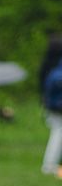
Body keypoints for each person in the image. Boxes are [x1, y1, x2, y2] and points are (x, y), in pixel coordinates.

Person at [38, 33, 62, 177]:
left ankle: (51, 164)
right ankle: (49, 165)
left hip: (51, 105)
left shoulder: (49, 65)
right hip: (57, 107)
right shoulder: (57, 71)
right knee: (58, 133)